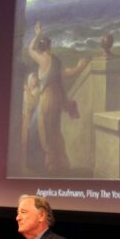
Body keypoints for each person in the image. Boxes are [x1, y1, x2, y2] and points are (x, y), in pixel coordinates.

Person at [23, 22, 89, 175]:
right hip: (57, 99)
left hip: (47, 99)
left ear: (41, 48)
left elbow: (29, 49)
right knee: (54, 131)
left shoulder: (43, 59)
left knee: (44, 131)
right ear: (49, 47)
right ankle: (60, 163)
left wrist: (37, 33)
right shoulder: (56, 61)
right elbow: (66, 73)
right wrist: (80, 67)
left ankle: (50, 165)